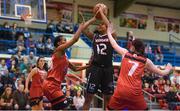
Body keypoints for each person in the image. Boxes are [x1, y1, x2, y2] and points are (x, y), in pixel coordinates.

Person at [106, 23, 173, 110]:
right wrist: (168, 67)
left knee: (109, 109)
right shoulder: (145, 61)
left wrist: (108, 32)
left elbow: (114, 44)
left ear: (133, 47)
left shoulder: (125, 53)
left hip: (121, 91)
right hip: (134, 93)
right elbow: (161, 72)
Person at [42, 23, 89, 110]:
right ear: (59, 43)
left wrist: (89, 65)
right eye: (64, 40)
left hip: (52, 85)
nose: (66, 42)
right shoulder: (59, 50)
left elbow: (75, 69)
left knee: (56, 108)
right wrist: (80, 28)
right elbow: (75, 39)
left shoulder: (64, 56)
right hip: (51, 85)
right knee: (66, 108)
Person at [82, 7, 116, 110]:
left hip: (108, 69)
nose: (99, 25)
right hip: (95, 68)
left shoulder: (112, 36)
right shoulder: (95, 37)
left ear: (106, 27)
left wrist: (101, 13)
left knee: (108, 98)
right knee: (88, 97)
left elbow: (110, 25)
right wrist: (93, 19)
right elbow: (83, 29)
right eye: (99, 24)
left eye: (101, 24)